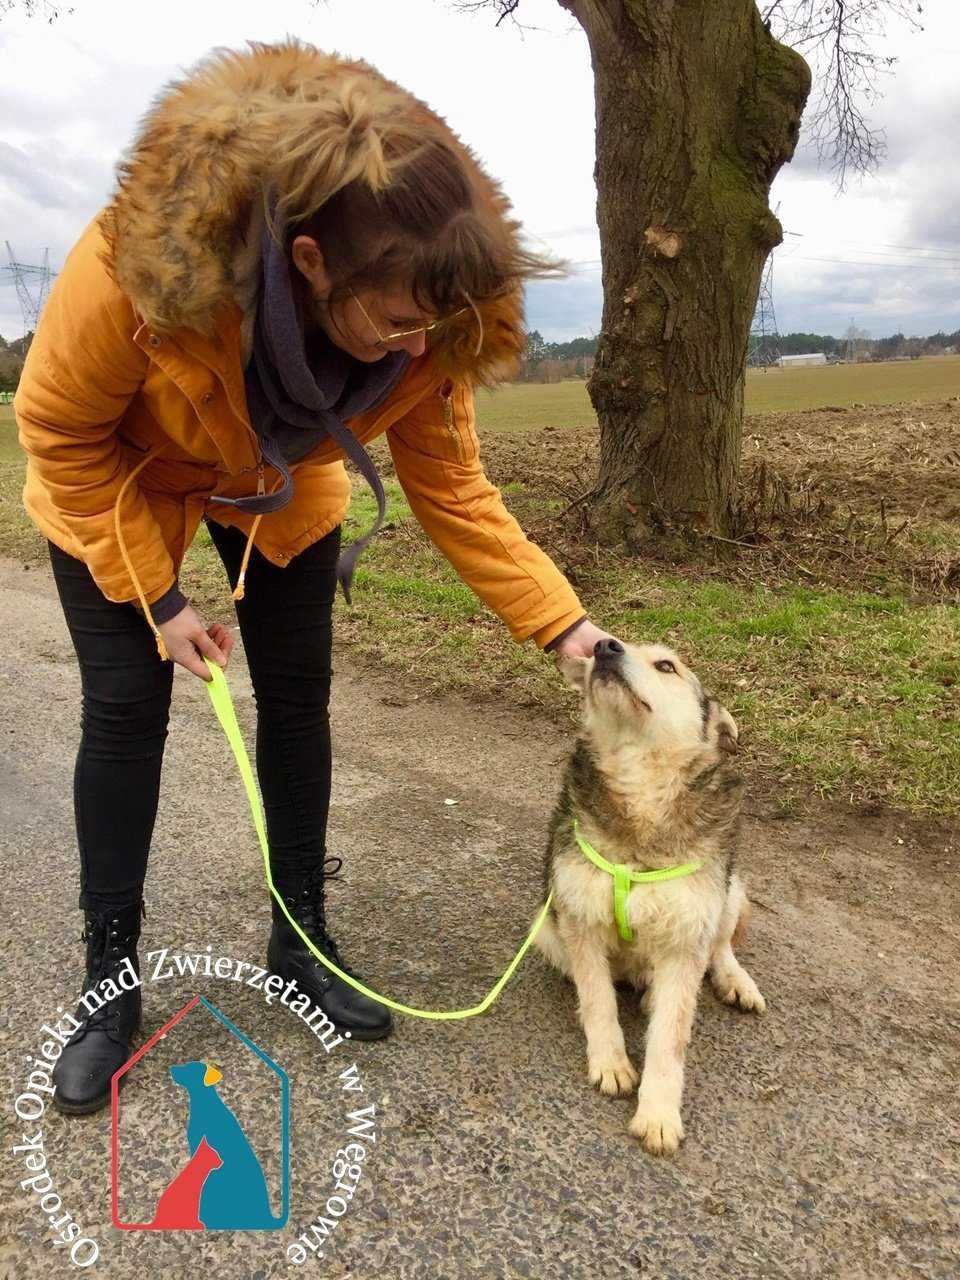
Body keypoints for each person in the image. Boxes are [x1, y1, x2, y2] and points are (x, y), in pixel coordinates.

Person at [14, 38, 614, 1116]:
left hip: (282, 488)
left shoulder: (439, 313)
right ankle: (110, 977)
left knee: (297, 700)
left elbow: (456, 491)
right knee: (125, 705)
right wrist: (158, 597)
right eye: (396, 318)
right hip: (121, 486)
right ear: (307, 262)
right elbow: (58, 432)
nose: (418, 339)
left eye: (435, 323)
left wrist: (568, 629)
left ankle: (301, 939)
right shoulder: (130, 273)